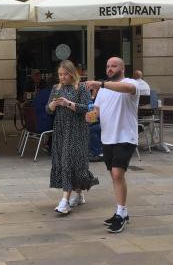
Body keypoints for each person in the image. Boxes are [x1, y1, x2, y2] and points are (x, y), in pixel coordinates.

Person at [85, 57, 140, 234]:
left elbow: (129, 89)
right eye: (107, 66)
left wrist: (100, 84)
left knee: (117, 174)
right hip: (107, 138)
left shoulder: (130, 83)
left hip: (125, 137)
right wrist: (90, 116)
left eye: (113, 66)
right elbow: (97, 113)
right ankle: (121, 210)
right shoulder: (102, 90)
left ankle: (121, 214)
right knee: (115, 176)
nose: (109, 68)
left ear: (123, 68)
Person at [46, 60, 98, 215]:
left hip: (77, 129)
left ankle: (64, 201)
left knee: (69, 160)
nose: (62, 77)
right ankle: (79, 194)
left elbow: (86, 107)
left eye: (64, 74)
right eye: (60, 74)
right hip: (61, 129)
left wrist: (68, 103)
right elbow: (48, 110)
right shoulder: (56, 88)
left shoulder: (81, 87)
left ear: (72, 73)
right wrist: (53, 105)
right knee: (66, 161)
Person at [86, 86, 103, 162]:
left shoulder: (97, 98)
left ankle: (96, 153)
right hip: (100, 121)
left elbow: (91, 107)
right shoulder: (96, 98)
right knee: (95, 127)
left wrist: (93, 96)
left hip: (99, 121)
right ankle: (99, 152)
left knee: (93, 128)